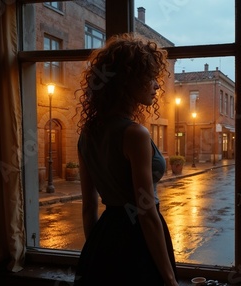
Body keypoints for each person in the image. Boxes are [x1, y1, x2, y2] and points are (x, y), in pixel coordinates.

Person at [73, 33, 178, 286]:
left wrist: (98, 254)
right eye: (150, 77)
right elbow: (146, 212)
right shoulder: (134, 134)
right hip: (138, 242)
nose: (156, 85)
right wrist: (171, 280)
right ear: (129, 81)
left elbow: (89, 208)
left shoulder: (87, 135)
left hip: (103, 239)